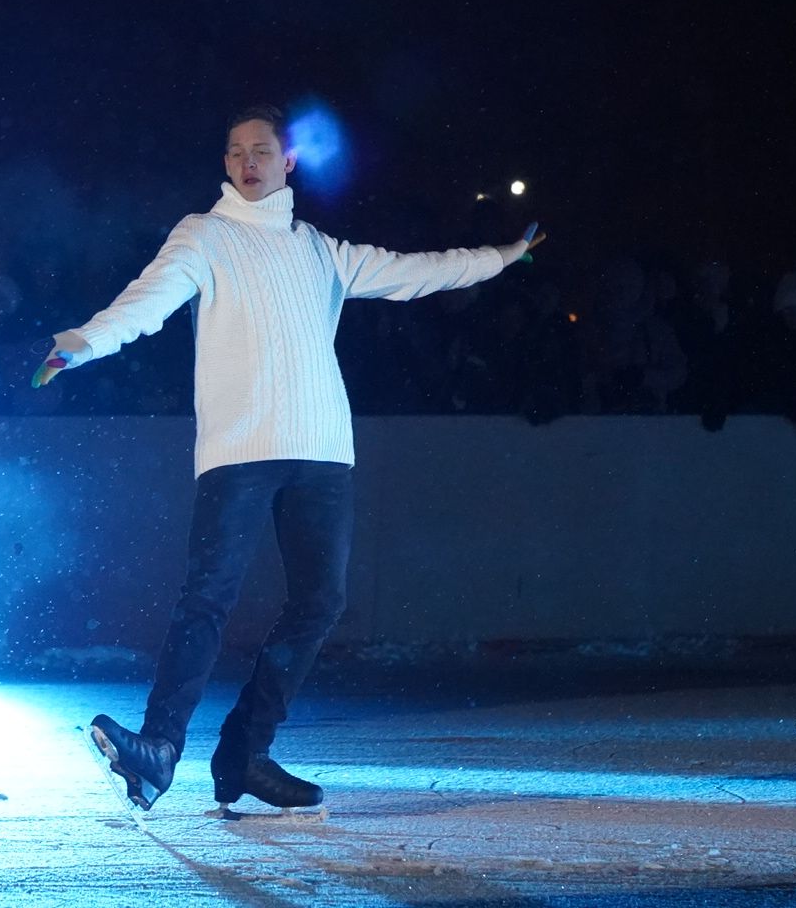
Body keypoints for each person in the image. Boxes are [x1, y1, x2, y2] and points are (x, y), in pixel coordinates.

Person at [33, 104, 543, 812]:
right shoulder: (204, 237)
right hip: (240, 448)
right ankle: (157, 747)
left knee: (321, 600)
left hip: (322, 450)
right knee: (208, 597)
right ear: (225, 163)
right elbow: (145, 302)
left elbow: (417, 273)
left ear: (287, 161)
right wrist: (83, 342)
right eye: (236, 150)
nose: (248, 160)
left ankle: (247, 753)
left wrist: (504, 256)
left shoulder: (320, 250)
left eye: (262, 149)